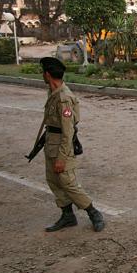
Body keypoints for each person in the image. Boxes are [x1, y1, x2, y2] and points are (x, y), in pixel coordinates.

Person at [37, 57, 105, 233]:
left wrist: (62, 157)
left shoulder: (64, 98)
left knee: (68, 183)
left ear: (47, 74)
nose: (42, 75)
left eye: (43, 72)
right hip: (51, 143)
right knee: (54, 181)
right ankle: (67, 215)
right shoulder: (53, 92)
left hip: (61, 146)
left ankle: (94, 213)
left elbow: (68, 132)